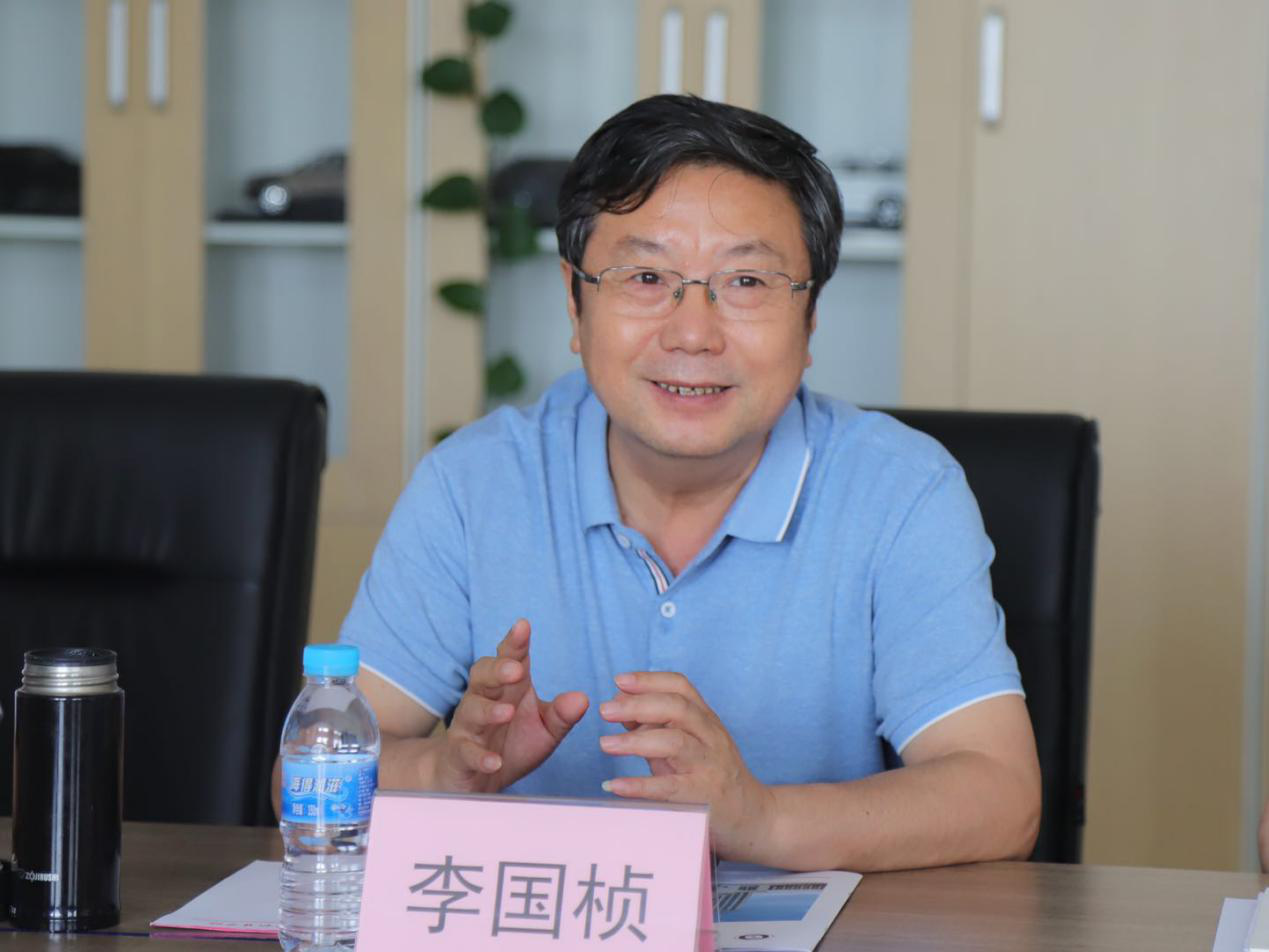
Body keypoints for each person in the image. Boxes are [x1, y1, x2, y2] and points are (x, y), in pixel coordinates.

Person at [305, 94, 1040, 872]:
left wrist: (757, 819)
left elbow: (1001, 795)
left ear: (811, 317)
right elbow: (313, 767)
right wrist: (446, 776)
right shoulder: (473, 483)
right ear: (574, 301)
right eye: (646, 276)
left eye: (747, 281)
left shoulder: (900, 493)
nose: (692, 334)